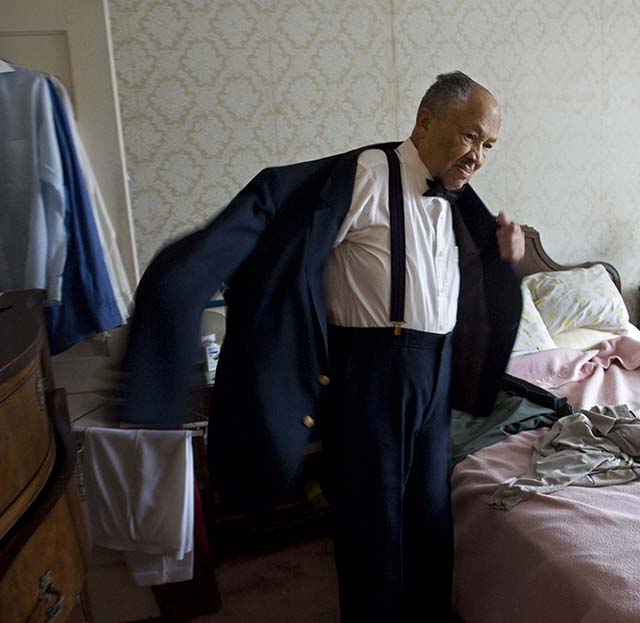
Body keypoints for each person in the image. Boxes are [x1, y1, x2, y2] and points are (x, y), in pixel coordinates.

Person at [120, 71, 523, 622]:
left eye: (489, 145)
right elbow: (280, 241)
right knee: (372, 524)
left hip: (436, 370)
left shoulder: (459, 199)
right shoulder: (362, 174)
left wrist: (505, 259)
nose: (478, 155)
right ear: (426, 120)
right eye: (471, 136)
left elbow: (464, 283)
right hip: (373, 372)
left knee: (429, 516)